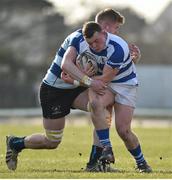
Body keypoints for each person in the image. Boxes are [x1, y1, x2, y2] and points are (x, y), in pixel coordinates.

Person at [5, 9, 142, 172]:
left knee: (101, 109)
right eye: (116, 28)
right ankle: (15, 143)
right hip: (54, 90)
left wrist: (131, 60)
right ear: (105, 27)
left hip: (78, 89)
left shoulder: (105, 43)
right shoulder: (79, 37)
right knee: (52, 141)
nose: (117, 32)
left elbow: (109, 69)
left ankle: (94, 164)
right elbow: (66, 65)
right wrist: (88, 81)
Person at [80, 21, 152, 173]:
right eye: (90, 43)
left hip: (125, 85)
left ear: (103, 33)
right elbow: (82, 71)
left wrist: (81, 78)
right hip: (105, 84)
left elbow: (103, 79)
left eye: (96, 41)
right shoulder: (83, 45)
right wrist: (83, 74)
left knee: (123, 131)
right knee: (95, 105)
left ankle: (142, 163)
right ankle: (107, 148)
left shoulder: (118, 47)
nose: (93, 46)